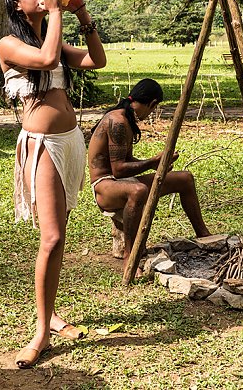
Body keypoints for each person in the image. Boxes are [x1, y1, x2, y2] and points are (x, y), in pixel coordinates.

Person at [0, 0, 106, 368]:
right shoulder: (9, 44)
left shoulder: (53, 38)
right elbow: (45, 61)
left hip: (70, 142)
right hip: (41, 147)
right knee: (52, 237)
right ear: (15, 6)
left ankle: (51, 315)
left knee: (58, 238)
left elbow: (97, 60)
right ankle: (42, 332)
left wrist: (80, 11)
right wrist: (58, 9)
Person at [88, 78, 211, 278]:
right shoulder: (117, 121)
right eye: (154, 109)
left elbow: (125, 161)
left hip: (120, 183)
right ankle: (130, 255)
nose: (151, 114)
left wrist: (155, 164)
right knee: (138, 191)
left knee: (185, 178)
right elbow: (118, 170)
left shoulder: (125, 118)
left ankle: (204, 235)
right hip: (104, 186)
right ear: (152, 104)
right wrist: (153, 162)